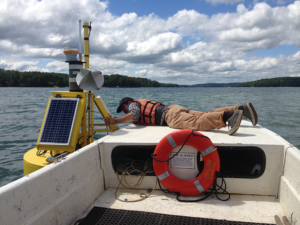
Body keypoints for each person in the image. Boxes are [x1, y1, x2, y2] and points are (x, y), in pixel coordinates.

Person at [104, 97, 258, 135]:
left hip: (169, 116)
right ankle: (240, 109)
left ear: (127, 102)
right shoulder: (138, 103)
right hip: (174, 108)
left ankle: (229, 117)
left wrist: (116, 120)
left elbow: (135, 115)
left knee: (198, 123)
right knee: (206, 115)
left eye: (122, 108)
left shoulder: (133, 105)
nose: (124, 111)